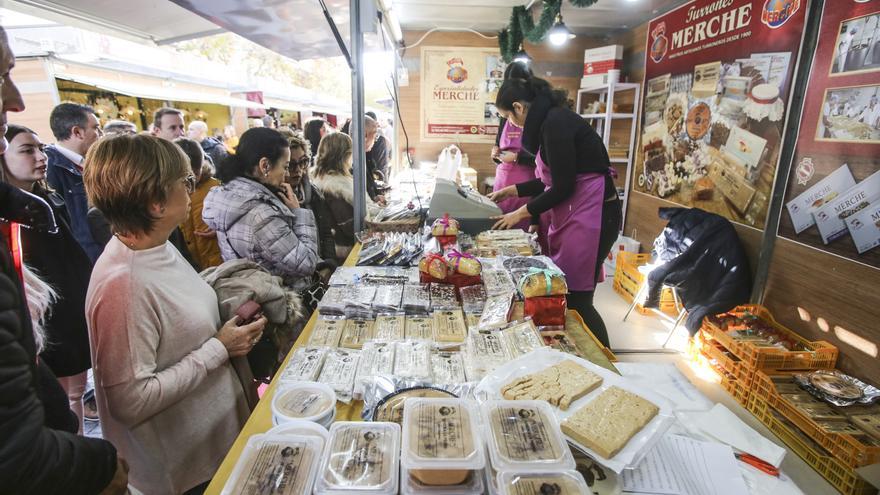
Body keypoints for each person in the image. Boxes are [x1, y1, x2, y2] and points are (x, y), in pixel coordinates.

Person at [83, 134, 267, 494]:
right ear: (155, 203)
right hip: (184, 472)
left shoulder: (158, 247)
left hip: (214, 443)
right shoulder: (122, 285)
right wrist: (219, 348)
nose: (192, 189)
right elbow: (131, 402)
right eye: (184, 182)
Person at [0, 24, 128, 494]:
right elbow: (15, 451)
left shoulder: (34, 203)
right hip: (52, 462)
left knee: (73, 386)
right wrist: (89, 464)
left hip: (66, 315)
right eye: (2, 77)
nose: (14, 98)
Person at [489, 76, 622, 347]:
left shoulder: (555, 123)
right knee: (570, 295)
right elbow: (549, 180)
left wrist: (521, 213)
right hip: (580, 214)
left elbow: (563, 186)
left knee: (579, 300)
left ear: (518, 107)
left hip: (594, 217)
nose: (510, 124)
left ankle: (607, 363)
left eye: (508, 117)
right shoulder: (549, 121)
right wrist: (512, 191)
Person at [1, 124, 93, 432]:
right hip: (42, 331)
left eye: (41, 148)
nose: (41, 157)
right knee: (57, 406)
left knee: (75, 396)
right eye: (27, 150)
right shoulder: (10, 223)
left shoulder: (48, 204)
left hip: (71, 319)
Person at [203, 127, 321, 292]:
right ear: (265, 165)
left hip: (257, 294)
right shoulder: (261, 215)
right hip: (284, 301)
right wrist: (298, 212)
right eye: (285, 166)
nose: (286, 173)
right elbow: (306, 263)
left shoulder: (229, 195)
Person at [45, 102, 104, 262]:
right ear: (77, 132)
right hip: (85, 260)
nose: (101, 133)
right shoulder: (51, 167)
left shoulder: (88, 163)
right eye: (96, 128)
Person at [278, 128, 338, 273]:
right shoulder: (275, 200)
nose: (298, 170)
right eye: (291, 165)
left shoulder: (313, 192)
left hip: (321, 268)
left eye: (303, 162)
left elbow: (325, 233)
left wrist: (328, 265)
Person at [491, 61, 539, 232]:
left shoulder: (538, 119)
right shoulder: (507, 114)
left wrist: (518, 157)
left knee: (522, 231)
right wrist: (496, 152)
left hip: (527, 182)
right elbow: (499, 142)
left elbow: (543, 163)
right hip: (503, 180)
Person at [312, 131, 372, 263]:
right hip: (347, 254)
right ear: (344, 155)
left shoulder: (324, 181)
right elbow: (351, 228)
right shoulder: (335, 189)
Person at [175, 137, 223, 269]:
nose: (192, 180)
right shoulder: (167, 195)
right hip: (188, 266)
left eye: (195, 173)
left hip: (216, 263)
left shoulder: (217, 189)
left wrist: (220, 227)